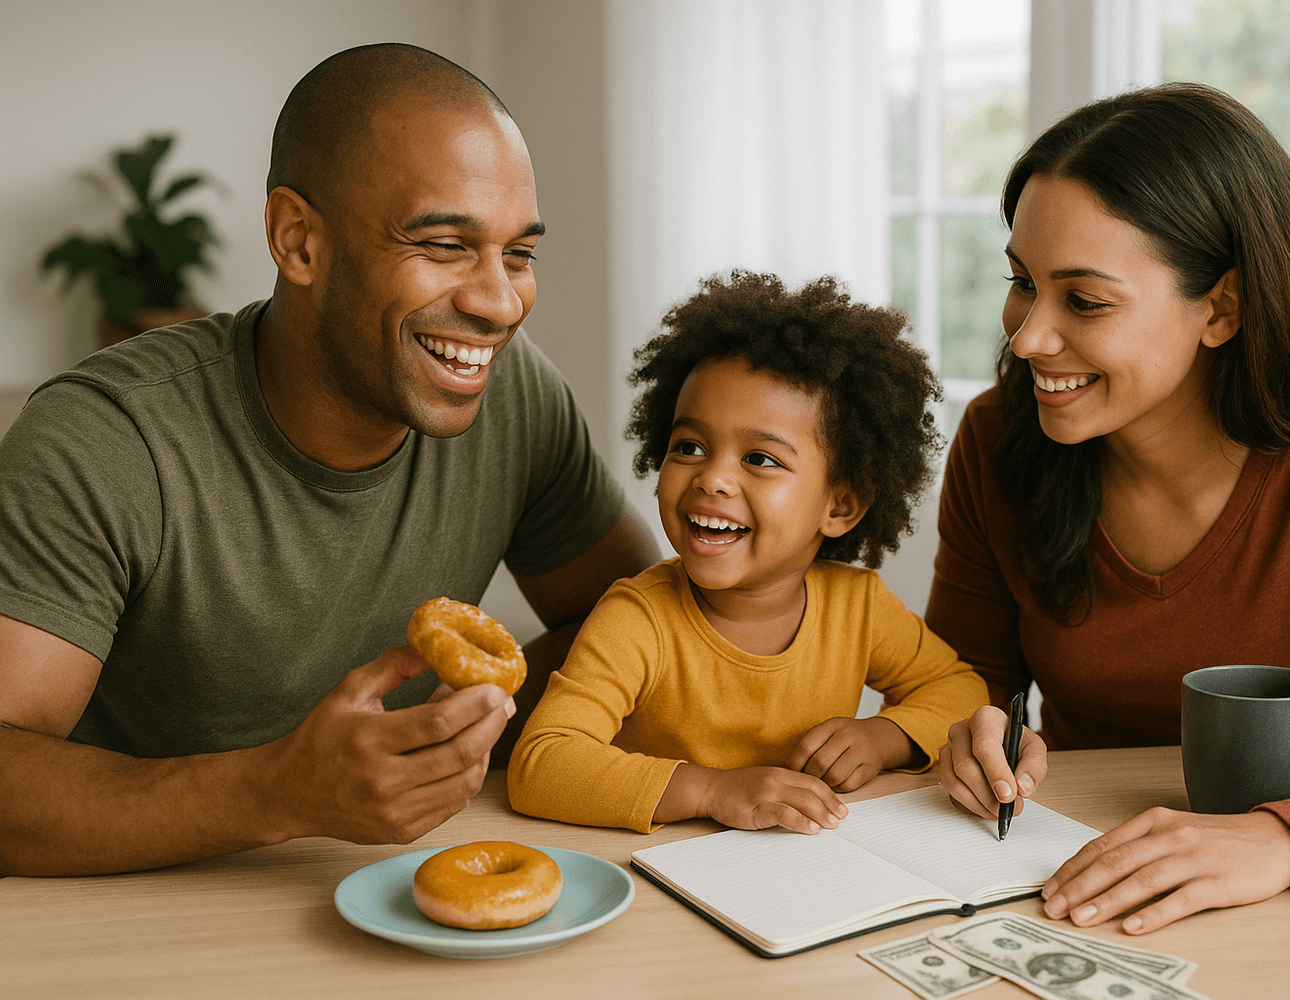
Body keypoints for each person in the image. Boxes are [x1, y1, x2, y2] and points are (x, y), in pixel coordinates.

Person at [0, 43, 658, 877]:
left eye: (519, 254)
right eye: (445, 244)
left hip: (394, 890)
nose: (500, 301)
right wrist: (279, 792)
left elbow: (645, 632)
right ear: (299, 240)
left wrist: (467, 732)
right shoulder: (105, 440)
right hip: (125, 919)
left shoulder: (517, 398)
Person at [929, 83, 1290, 934]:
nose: (1026, 338)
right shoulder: (997, 439)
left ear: (1222, 308)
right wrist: (965, 738)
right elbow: (963, 688)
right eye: (1021, 282)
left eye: (1083, 300)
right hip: (1073, 886)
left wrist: (1280, 839)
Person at [507, 272, 989, 834]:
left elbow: (960, 691)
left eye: (760, 459)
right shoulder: (638, 618)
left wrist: (885, 738)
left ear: (840, 506)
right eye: (689, 447)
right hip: (657, 872)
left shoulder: (858, 607)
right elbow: (542, 763)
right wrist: (710, 789)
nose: (712, 478)